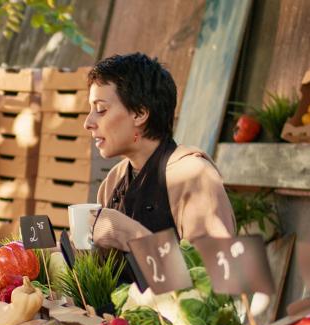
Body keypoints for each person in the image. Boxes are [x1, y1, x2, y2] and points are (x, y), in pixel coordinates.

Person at [83, 53, 235, 252]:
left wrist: (130, 235)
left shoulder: (194, 177)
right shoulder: (114, 180)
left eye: (101, 109)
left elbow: (217, 275)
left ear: (139, 113)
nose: (88, 123)